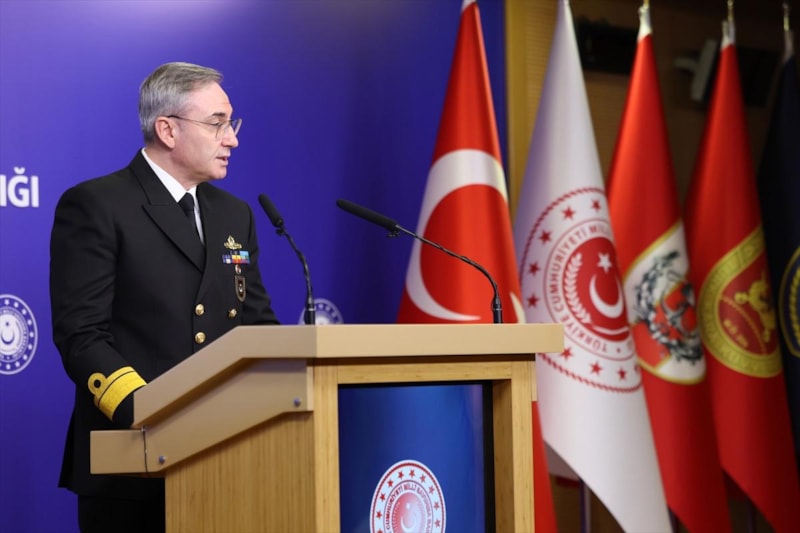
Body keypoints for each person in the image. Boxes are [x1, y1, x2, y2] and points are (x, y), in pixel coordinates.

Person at [49, 62, 280, 533]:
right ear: (168, 130)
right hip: (132, 462)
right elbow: (82, 335)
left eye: (231, 124)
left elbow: (256, 325)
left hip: (225, 455)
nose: (232, 139)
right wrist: (149, 412)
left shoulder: (234, 214)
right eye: (217, 123)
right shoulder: (98, 204)